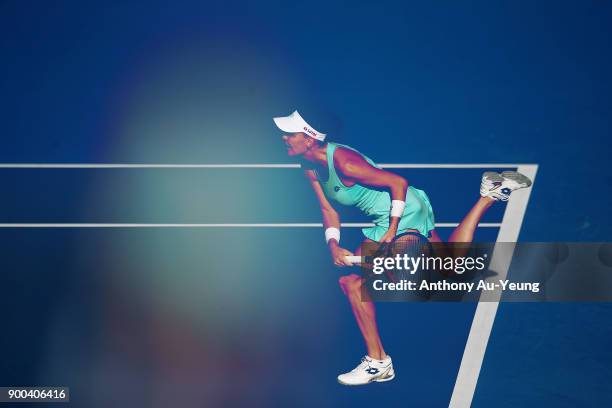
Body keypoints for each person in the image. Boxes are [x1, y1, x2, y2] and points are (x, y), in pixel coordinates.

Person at [273, 110, 532, 386]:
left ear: (310, 139)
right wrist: (334, 244)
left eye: (290, 133)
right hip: (400, 211)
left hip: (401, 214)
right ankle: (488, 194)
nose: (284, 137)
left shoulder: (345, 163)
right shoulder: (309, 166)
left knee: (363, 283)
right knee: (449, 267)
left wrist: (393, 229)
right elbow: (328, 209)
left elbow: (398, 183)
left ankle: (378, 362)